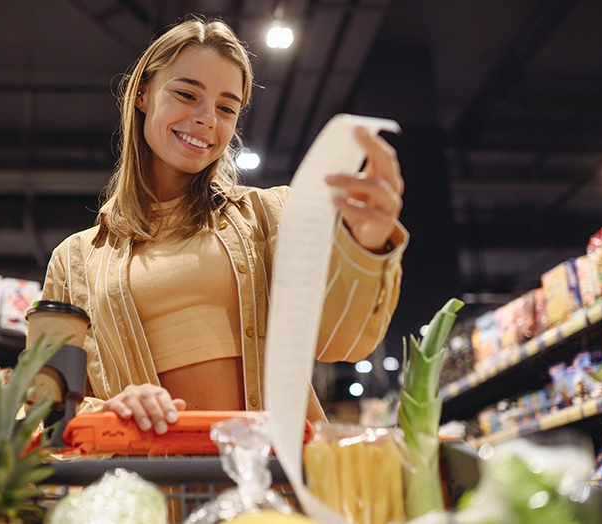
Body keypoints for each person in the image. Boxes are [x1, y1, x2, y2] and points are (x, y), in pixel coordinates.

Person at [41, 17, 407, 435]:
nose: (206, 119)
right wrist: (107, 411)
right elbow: (49, 409)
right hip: (147, 489)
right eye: (186, 94)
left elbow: (345, 342)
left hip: (270, 486)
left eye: (226, 107)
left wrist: (367, 242)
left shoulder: (272, 216)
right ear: (141, 94)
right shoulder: (72, 261)